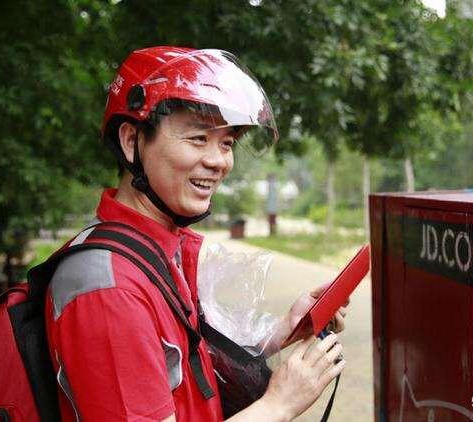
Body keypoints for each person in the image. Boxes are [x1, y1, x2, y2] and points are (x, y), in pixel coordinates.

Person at [45, 46, 347, 421]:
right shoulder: (110, 290)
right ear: (131, 141)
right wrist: (278, 405)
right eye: (198, 138)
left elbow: (186, 367)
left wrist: (285, 330)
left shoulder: (155, 252)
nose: (219, 161)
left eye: (227, 143)